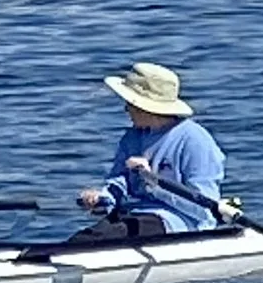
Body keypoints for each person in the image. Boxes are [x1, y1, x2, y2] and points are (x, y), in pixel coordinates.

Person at [66, 61, 227, 243]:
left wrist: (154, 184)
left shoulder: (195, 141)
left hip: (178, 221)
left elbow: (204, 207)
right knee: (80, 240)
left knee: (95, 240)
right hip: (134, 213)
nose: (126, 109)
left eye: (130, 104)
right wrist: (103, 198)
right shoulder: (132, 137)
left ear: (146, 108)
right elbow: (120, 181)